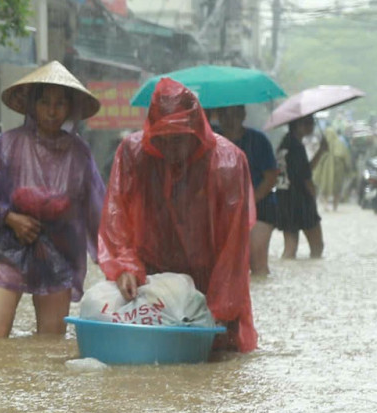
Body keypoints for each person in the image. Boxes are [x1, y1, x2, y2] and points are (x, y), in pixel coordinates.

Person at [96, 78, 258, 352]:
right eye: (163, 139)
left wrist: (222, 306)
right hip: (151, 275)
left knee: (217, 360)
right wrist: (125, 268)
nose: (171, 148)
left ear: (196, 129)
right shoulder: (134, 154)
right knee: (148, 356)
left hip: (209, 276)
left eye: (179, 138)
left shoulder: (227, 163)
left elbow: (233, 249)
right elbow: (116, 219)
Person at [0, 62, 105, 338]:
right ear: (33, 105)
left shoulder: (79, 153)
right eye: (44, 102)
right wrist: (10, 217)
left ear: (70, 108)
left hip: (59, 249)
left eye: (59, 104)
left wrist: (111, 257)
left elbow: (96, 207)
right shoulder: (8, 144)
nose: (52, 111)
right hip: (9, 244)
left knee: (51, 343)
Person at [207, 104, 278, 277]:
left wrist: (249, 203)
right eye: (225, 115)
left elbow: (271, 177)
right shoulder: (211, 140)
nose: (230, 120)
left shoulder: (258, 140)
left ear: (243, 114)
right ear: (218, 116)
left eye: (235, 114)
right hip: (223, 210)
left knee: (257, 262)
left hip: (260, 206)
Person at [267, 113, 325, 259]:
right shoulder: (297, 147)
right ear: (297, 125)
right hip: (301, 200)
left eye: (311, 122)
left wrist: (320, 151)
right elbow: (306, 178)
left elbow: (303, 169)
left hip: (284, 199)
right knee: (317, 246)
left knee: (290, 248)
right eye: (307, 122)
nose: (311, 126)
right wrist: (313, 195)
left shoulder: (285, 143)